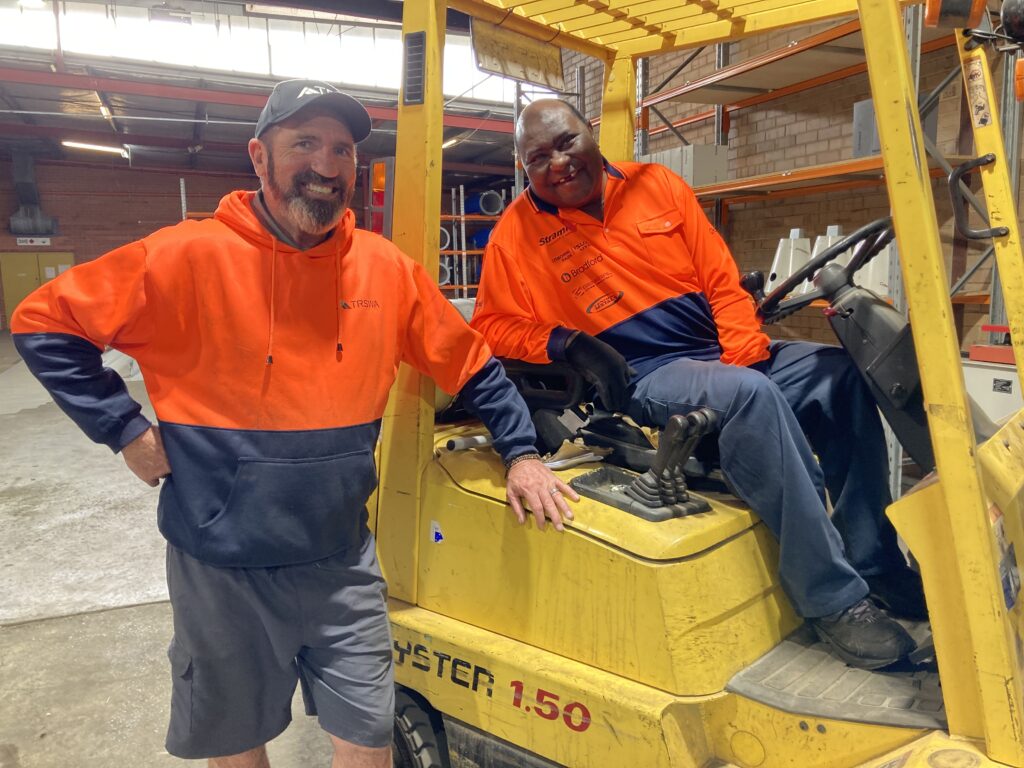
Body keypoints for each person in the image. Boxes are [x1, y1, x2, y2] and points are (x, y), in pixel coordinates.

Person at [12, 80, 577, 768]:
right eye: (304, 143)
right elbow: (44, 322)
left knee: (369, 744)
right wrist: (124, 429)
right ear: (259, 155)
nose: (328, 164)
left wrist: (521, 453)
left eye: (341, 148)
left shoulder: (384, 270)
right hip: (222, 570)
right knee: (238, 750)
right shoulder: (184, 256)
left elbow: (474, 366)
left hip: (341, 563)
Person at [470, 98, 925, 671]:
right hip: (646, 374)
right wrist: (569, 343)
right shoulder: (516, 233)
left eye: (565, 143)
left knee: (837, 377)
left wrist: (744, 357)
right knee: (749, 397)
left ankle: (877, 560)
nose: (557, 163)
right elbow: (491, 325)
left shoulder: (657, 185)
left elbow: (720, 279)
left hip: (720, 353)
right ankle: (832, 598)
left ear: (590, 135)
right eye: (538, 158)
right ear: (523, 167)